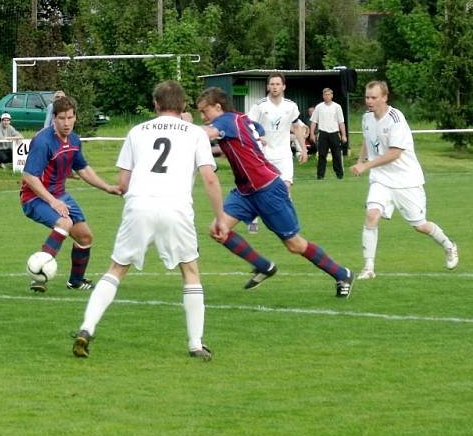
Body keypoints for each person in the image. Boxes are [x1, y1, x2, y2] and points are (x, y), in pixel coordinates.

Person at [72, 81, 228, 361]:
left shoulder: (137, 131)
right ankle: (195, 343)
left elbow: (123, 182)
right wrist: (220, 218)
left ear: (156, 105)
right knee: (190, 272)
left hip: (139, 204)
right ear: (182, 107)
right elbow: (209, 177)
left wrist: (127, 191)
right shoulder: (195, 134)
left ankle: (87, 327)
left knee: (116, 269)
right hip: (176, 207)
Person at [196, 87, 354, 298]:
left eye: (204, 111)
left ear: (218, 107)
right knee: (218, 229)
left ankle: (341, 273)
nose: (203, 117)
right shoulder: (240, 119)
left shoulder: (225, 120)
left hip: (267, 189)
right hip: (245, 191)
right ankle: (263, 266)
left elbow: (205, 134)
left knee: (294, 244)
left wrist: (177, 127)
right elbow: (256, 130)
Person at [350, 80, 458, 279]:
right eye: (367, 97)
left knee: (420, 226)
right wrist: (361, 160)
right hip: (381, 178)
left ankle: (449, 246)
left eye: (374, 97)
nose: (369, 101)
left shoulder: (396, 119)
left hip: (406, 180)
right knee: (372, 214)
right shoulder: (366, 118)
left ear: (385, 97)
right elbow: (368, 139)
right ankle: (368, 268)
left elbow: (395, 153)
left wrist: (365, 166)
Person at [21, 96, 122, 292]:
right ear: (54, 119)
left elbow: (83, 169)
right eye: (61, 118)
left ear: (75, 117)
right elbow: (29, 177)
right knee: (64, 223)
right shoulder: (43, 142)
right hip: (35, 197)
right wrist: (52, 202)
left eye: (70, 117)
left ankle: (75, 281)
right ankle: (38, 277)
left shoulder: (74, 140)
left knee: (85, 238)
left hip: (59, 195)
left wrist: (107, 187)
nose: (66, 123)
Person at [246, 73, 308, 233]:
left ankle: (287, 223)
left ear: (283, 86)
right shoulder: (259, 106)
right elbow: (248, 127)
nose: (274, 87)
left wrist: (303, 149)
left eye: (277, 84)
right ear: (268, 86)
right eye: (272, 84)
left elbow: (296, 127)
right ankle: (252, 219)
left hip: (284, 154)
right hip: (263, 154)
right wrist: (258, 138)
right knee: (258, 189)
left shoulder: (291, 106)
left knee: (286, 188)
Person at [310, 88, 347, 179]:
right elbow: (314, 122)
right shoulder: (319, 107)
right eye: (325, 94)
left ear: (332, 95)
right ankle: (320, 175)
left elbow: (341, 122)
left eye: (329, 94)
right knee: (322, 155)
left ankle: (339, 175)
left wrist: (344, 135)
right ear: (323, 96)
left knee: (336, 155)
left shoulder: (337, 107)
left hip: (334, 133)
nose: (327, 96)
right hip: (323, 133)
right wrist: (311, 134)